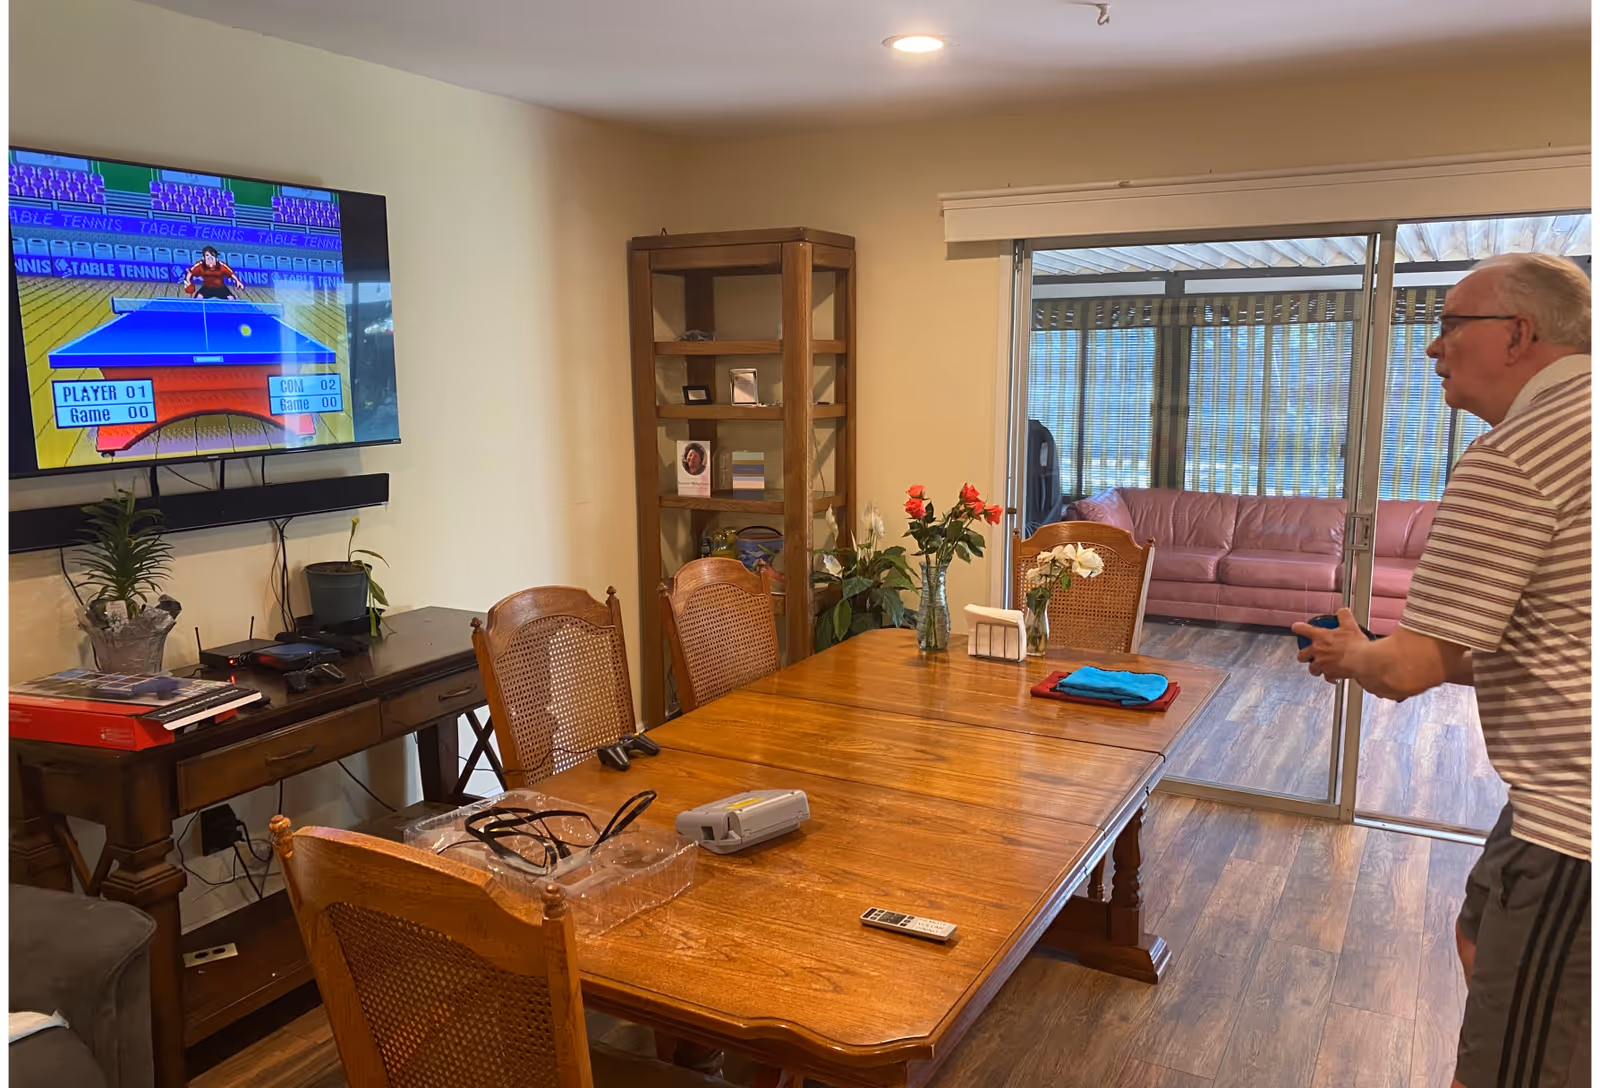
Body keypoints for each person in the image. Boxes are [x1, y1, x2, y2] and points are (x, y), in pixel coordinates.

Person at [1294, 251, 1590, 1088]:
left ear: (1518, 334)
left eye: (1451, 324)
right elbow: (1546, 640)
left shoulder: (1519, 453)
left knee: (1506, 1070)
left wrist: (1353, 652)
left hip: (1574, 826)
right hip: (1549, 802)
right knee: (1476, 933)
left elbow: (1409, 670)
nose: (1431, 346)